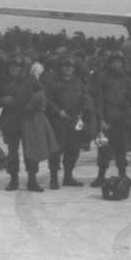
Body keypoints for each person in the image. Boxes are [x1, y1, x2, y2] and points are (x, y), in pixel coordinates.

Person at [0, 56, 43, 192]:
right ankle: (13, 180)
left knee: (30, 150)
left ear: (22, 68)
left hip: (27, 119)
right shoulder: (3, 81)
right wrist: (2, 101)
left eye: (17, 66)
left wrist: (31, 104)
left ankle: (32, 180)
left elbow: (41, 95)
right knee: (12, 151)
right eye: (11, 66)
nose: (14, 69)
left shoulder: (31, 80)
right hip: (10, 120)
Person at [45, 56, 91, 187]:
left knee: (73, 150)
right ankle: (54, 179)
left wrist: (82, 111)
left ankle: (68, 177)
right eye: (64, 66)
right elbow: (47, 100)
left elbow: (84, 97)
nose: (67, 69)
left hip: (74, 120)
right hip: (58, 121)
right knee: (55, 150)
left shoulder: (78, 82)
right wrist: (58, 111)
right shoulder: (53, 82)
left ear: (73, 68)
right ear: (60, 68)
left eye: (70, 67)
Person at [91, 52, 131, 188]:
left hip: (122, 118)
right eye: (114, 62)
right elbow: (99, 100)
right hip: (107, 118)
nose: (116, 64)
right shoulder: (102, 78)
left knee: (121, 148)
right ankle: (100, 176)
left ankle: (123, 175)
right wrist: (101, 119)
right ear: (109, 64)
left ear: (122, 63)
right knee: (104, 148)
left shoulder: (127, 79)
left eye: (119, 61)